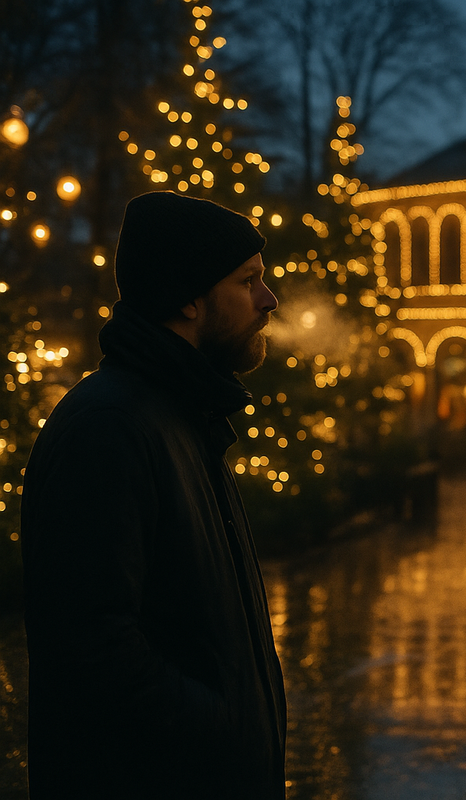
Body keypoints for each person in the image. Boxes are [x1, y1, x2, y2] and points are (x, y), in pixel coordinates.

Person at [20, 191, 286, 798]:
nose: (269, 300)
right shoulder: (109, 429)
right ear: (188, 298)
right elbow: (92, 652)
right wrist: (220, 730)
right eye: (248, 282)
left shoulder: (183, 416)